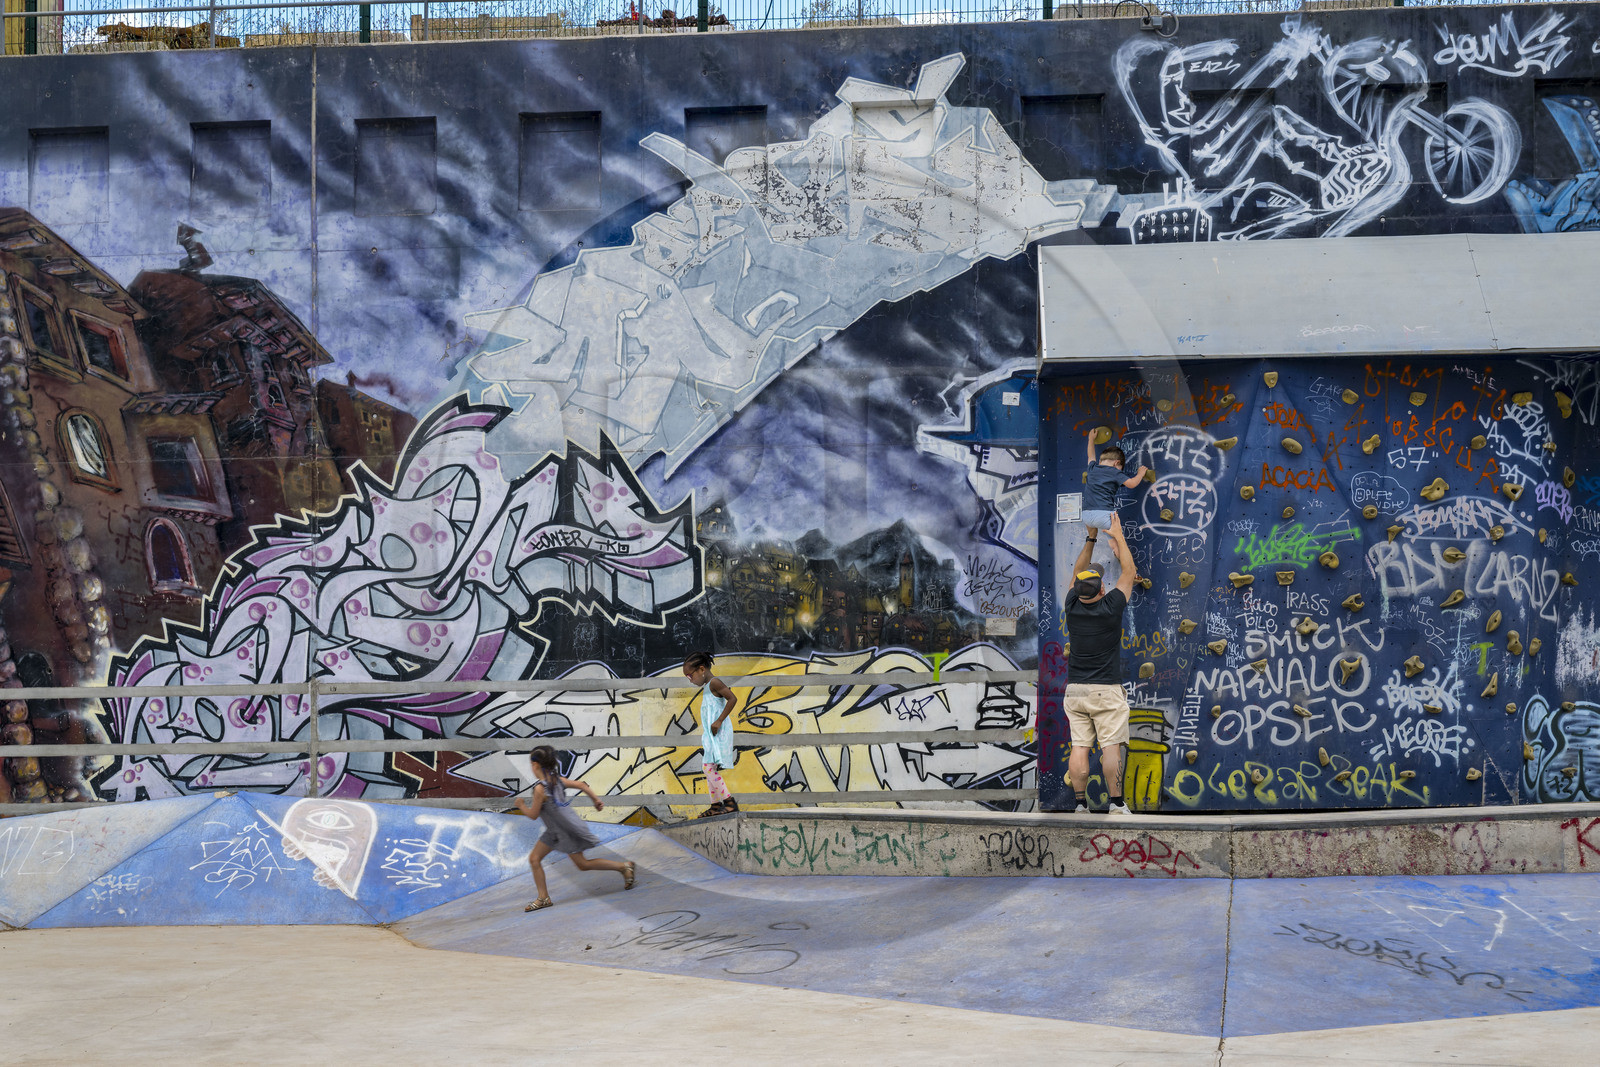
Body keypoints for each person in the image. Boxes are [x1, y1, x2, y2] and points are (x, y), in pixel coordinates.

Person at [1063, 524, 1138, 815]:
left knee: (1080, 746)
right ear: (1102, 590)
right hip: (1105, 690)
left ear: (1078, 591)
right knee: (1111, 747)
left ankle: (1080, 805)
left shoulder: (1072, 604)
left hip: (1075, 690)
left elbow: (1077, 572)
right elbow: (1128, 573)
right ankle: (1116, 804)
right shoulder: (1111, 607)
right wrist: (1118, 536)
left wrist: (1091, 537)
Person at [515, 745, 635, 911]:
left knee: (583, 865)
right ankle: (543, 898)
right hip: (554, 831)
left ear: (535, 765)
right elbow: (582, 785)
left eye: (531, 764)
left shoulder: (540, 789)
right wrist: (596, 800)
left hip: (565, 831)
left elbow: (533, 815)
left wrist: (521, 805)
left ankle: (624, 867)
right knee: (535, 859)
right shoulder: (556, 780)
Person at [684, 650, 741, 818]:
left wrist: (719, 721)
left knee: (708, 768)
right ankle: (715, 806)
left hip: (719, 732)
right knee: (709, 768)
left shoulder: (715, 683)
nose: (690, 679)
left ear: (701, 669)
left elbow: (733, 699)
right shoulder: (707, 688)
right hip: (711, 735)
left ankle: (729, 803)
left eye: (690, 676)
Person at [1083, 430, 1148, 547]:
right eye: (1120, 468)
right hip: (1103, 514)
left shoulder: (1093, 468)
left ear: (1100, 461)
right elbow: (1132, 483)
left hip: (1086, 515)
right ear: (1116, 463)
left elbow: (1090, 456)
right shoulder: (1114, 472)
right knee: (1119, 543)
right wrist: (1140, 474)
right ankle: (1124, 560)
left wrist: (1091, 439)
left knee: (1107, 538)